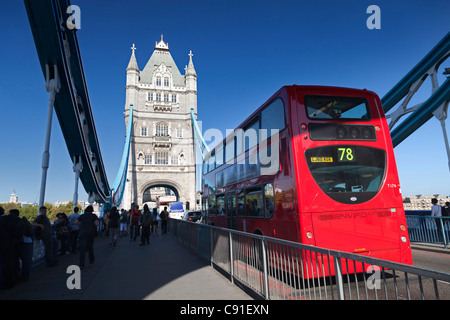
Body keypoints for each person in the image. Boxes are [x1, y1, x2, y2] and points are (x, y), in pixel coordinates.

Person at [0, 209, 25, 289]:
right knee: (14, 262)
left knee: (7, 264)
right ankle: (14, 279)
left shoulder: (2, 221)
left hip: (5, 245)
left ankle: (8, 281)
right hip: (15, 243)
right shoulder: (13, 219)